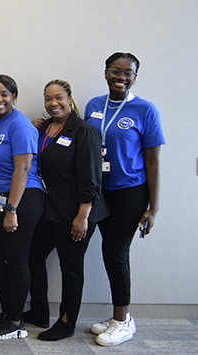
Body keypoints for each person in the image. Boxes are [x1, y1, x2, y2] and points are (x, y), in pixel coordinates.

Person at [84, 52, 164, 347]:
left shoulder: (145, 110)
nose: (121, 77)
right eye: (115, 71)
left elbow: (153, 162)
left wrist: (153, 209)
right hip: (98, 191)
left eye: (128, 72)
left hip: (129, 191)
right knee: (107, 253)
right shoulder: (93, 105)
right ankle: (116, 316)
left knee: (116, 253)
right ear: (105, 72)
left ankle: (123, 320)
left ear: (134, 77)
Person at [24, 80, 109, 341]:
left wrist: (82, 216)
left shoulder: (83, 131)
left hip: (76, 213)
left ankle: (66, 322)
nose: (53, 103)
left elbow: (91, 180)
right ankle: (39, 311)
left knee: (71, 268)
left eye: (58, 98)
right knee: (33, 257)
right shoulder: (46, 128)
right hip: (51, 211)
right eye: (48, 99)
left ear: (69, 98)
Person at [0, 75, 45, 340]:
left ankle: (15, 321)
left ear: (14, 97)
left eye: (4, 94)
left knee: (16, 261)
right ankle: (9, 312)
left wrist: (11, 209)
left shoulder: (20, 125)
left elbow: (24, 168)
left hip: (22, 198)